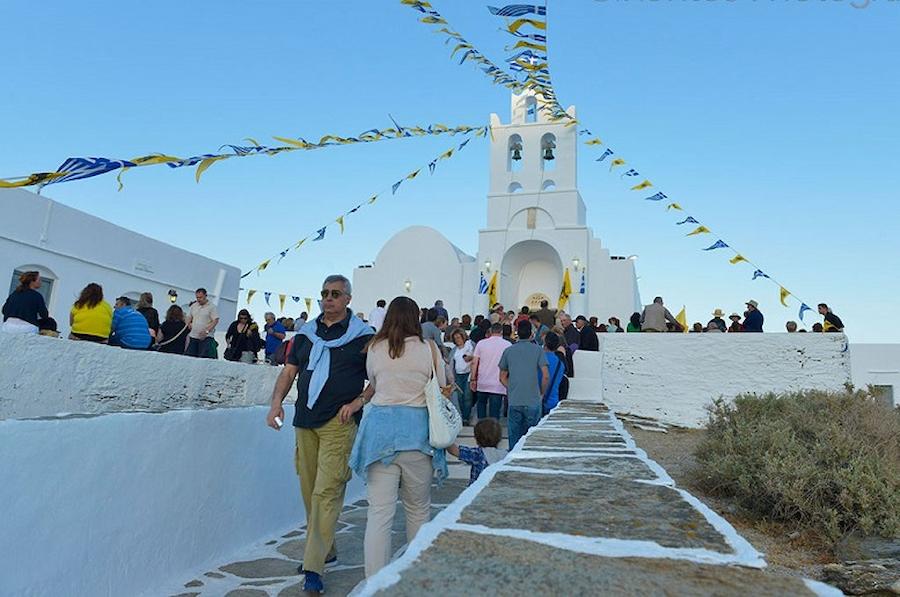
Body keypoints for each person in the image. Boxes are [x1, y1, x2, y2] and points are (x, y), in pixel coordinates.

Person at [266, 274, 373, 594]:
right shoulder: (306, 334)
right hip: (305, 420)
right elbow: (289, 372)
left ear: (348, 299)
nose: (329, 298)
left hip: (338, 424)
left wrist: (357, 402)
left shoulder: (362, 338)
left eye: (336, 294)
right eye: (325, 293)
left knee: (326, 492)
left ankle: (313, 566)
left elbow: (378, 379)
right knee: (309, 490)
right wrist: (275, 405)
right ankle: (327, 548)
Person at [346, 296, 451, 579]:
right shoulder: (429, 349)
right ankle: (413, 578)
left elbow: (375, 384)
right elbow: (440, 385)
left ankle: (375, 584)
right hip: (417, 435)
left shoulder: (375, 348)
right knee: (418, 510)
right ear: (416, 318)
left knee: (379, 514)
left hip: (380, 436)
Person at [499, 320, 549, 450]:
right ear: (531, 334)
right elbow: (545, 375)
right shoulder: (538, 350)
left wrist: (512, 388)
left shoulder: (508, 351)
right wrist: (541, 392)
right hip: (533, 399)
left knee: (514, 441)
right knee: (531, 442)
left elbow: (502, 377)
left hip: (515, 399)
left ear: (517, 333)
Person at [447, 418, 506, 486]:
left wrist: (444, 437)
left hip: (477, 492)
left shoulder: (477, 454)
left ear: (476, 438)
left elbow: (453, 450)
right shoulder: (505, 455)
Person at [470, 322, 510, 421]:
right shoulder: (507, 345)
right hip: (498, 384)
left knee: (481, 409)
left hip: (482, 382)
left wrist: (473, 379)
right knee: (495, 414)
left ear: (491, 331)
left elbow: (474, 362)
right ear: (501, 332)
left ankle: (481, 432)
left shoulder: (481, 343)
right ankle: (493, 433)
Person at [449, 328, 475, 425]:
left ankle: (466, 417)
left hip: (468, 373)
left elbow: (476, 357)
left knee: (467, 396)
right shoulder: (454, 350)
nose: (457, 340)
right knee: (459, 396)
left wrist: (471, 358)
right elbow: (451, 363)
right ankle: (461, 415)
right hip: (458, 375)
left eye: (459, 337)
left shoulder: (470, 345)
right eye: (455, 338)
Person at [185, 288, 219, 358]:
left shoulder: (212, 307)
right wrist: (188, 323)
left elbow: (215, 320)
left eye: (200, 297)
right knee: (190, 356)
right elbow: (189, 316)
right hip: (193, 336)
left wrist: (207, 331)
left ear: (205, 296)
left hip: (206, 337)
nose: (198, 299)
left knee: (203, 357)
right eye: (197, 297)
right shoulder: (193, 306)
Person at [539, 332, 566, 415]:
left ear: (545, 344)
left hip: (538, 400)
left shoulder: (539, 359)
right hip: (553, 401)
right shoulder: (560, 363)